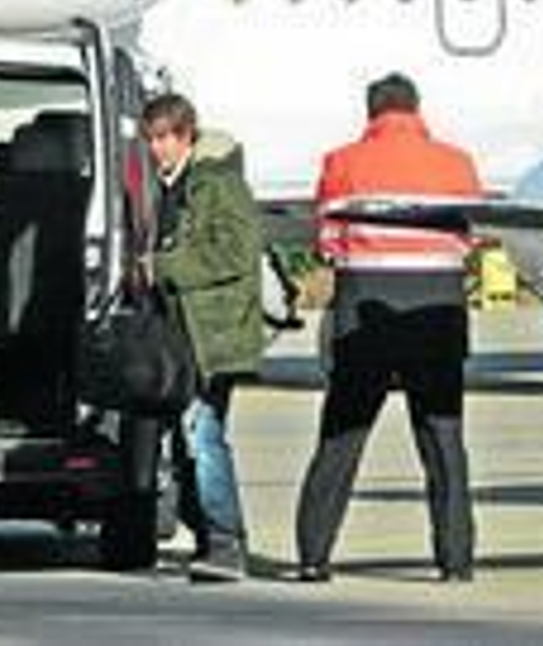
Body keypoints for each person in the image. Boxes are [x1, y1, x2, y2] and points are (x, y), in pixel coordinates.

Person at [293, 72, 483, 584]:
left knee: (341, 438)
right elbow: (470, 239)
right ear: (417, 110)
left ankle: (314, 555)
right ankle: (456, 559)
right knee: (443, 442)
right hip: (437, 315)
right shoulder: (457, 162)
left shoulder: (342, 162)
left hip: (365, 314)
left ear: (371, 113)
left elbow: (328, 241)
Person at [140, 92, 263, 583]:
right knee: (188, 439)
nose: (157, 148)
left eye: (166, 138)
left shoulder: (215, 184)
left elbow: (238, 251)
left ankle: (226, 541)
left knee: (203, 436)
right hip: (182, 336)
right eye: (151, 139)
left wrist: (162, 268)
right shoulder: (168, 186)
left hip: (210, 338)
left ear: (187, 135)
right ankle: (211, 536)